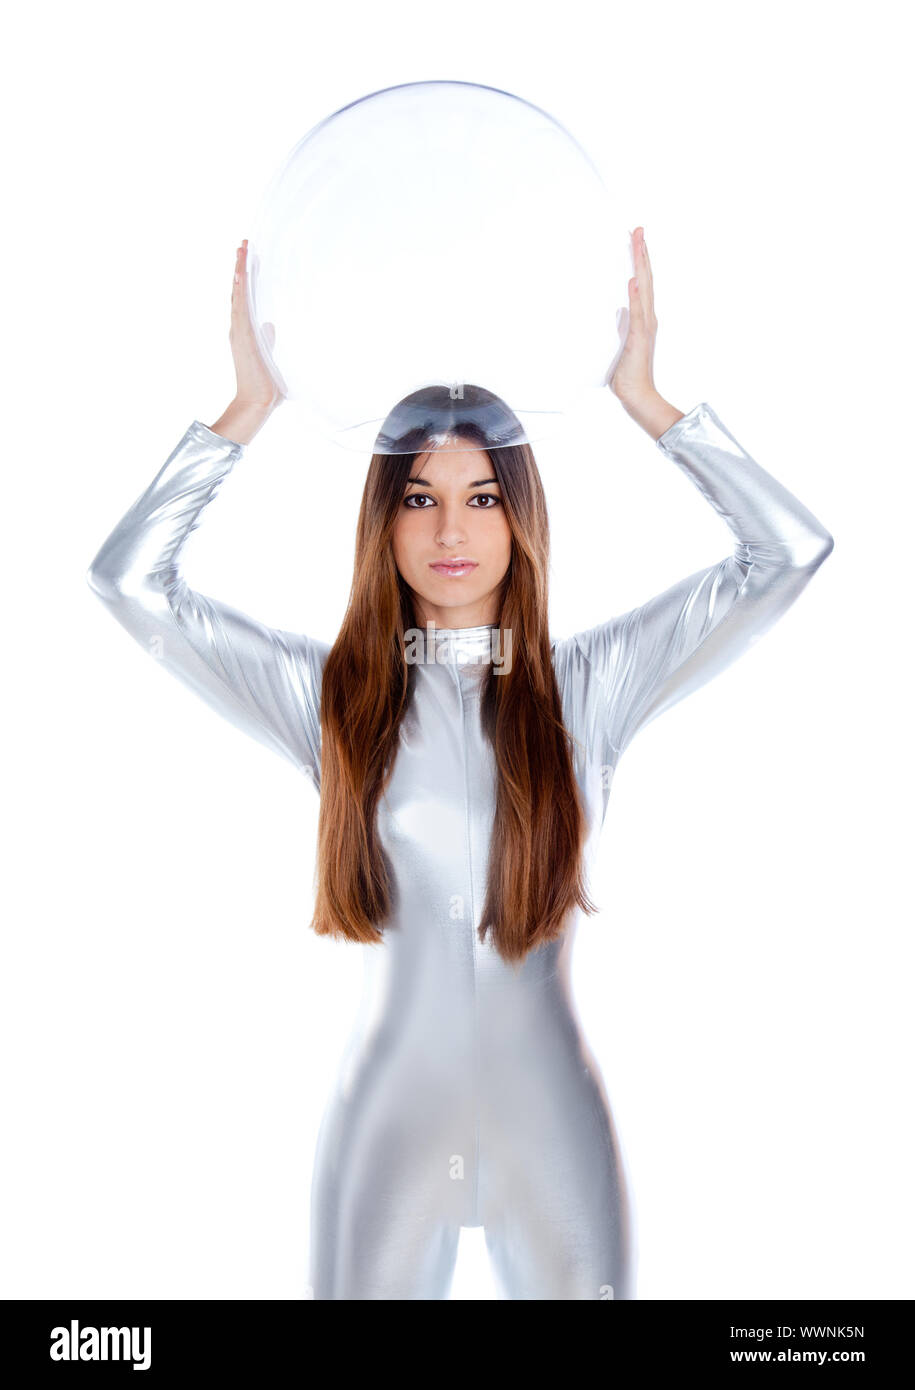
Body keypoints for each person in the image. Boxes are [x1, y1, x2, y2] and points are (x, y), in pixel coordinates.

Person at [86, 229, 834, 1299]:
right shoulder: (334, 698)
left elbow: (788, 555)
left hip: (554, 1130)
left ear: (518, 516)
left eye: (482, 497)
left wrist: (648, 401)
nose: (450, 529)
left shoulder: (589, 685)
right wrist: (246, 409)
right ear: (382, 521)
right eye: (419, 496)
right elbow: (131, 586)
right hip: (388, 1126)